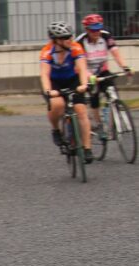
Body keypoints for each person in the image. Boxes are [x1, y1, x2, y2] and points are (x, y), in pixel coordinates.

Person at [40, 21, 93, 163]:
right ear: (56, 40)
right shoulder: (47, 51)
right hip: (54, 82)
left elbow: (82, 68)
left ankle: (87, 148)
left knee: (81, 110)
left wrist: (84, 85)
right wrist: (48, 91)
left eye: (70, 37)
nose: (70, 40)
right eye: (65, 38)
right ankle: (56, 129)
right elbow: (44, 74)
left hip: (72, 80)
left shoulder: (76, 47)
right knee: (57, 105)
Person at [75, 14, 132, 133]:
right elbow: (80, 65)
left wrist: (125, 67)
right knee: (94, 95)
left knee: (112, 90)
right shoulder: (80, 42)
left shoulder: (106, 36)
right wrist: (89, 76)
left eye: (99, 28)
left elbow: (115, 53)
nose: (96, 32)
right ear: (86, 29)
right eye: (93, 29)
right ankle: (98, 123)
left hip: (102, 70)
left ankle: (114, 118)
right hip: (86, 71)